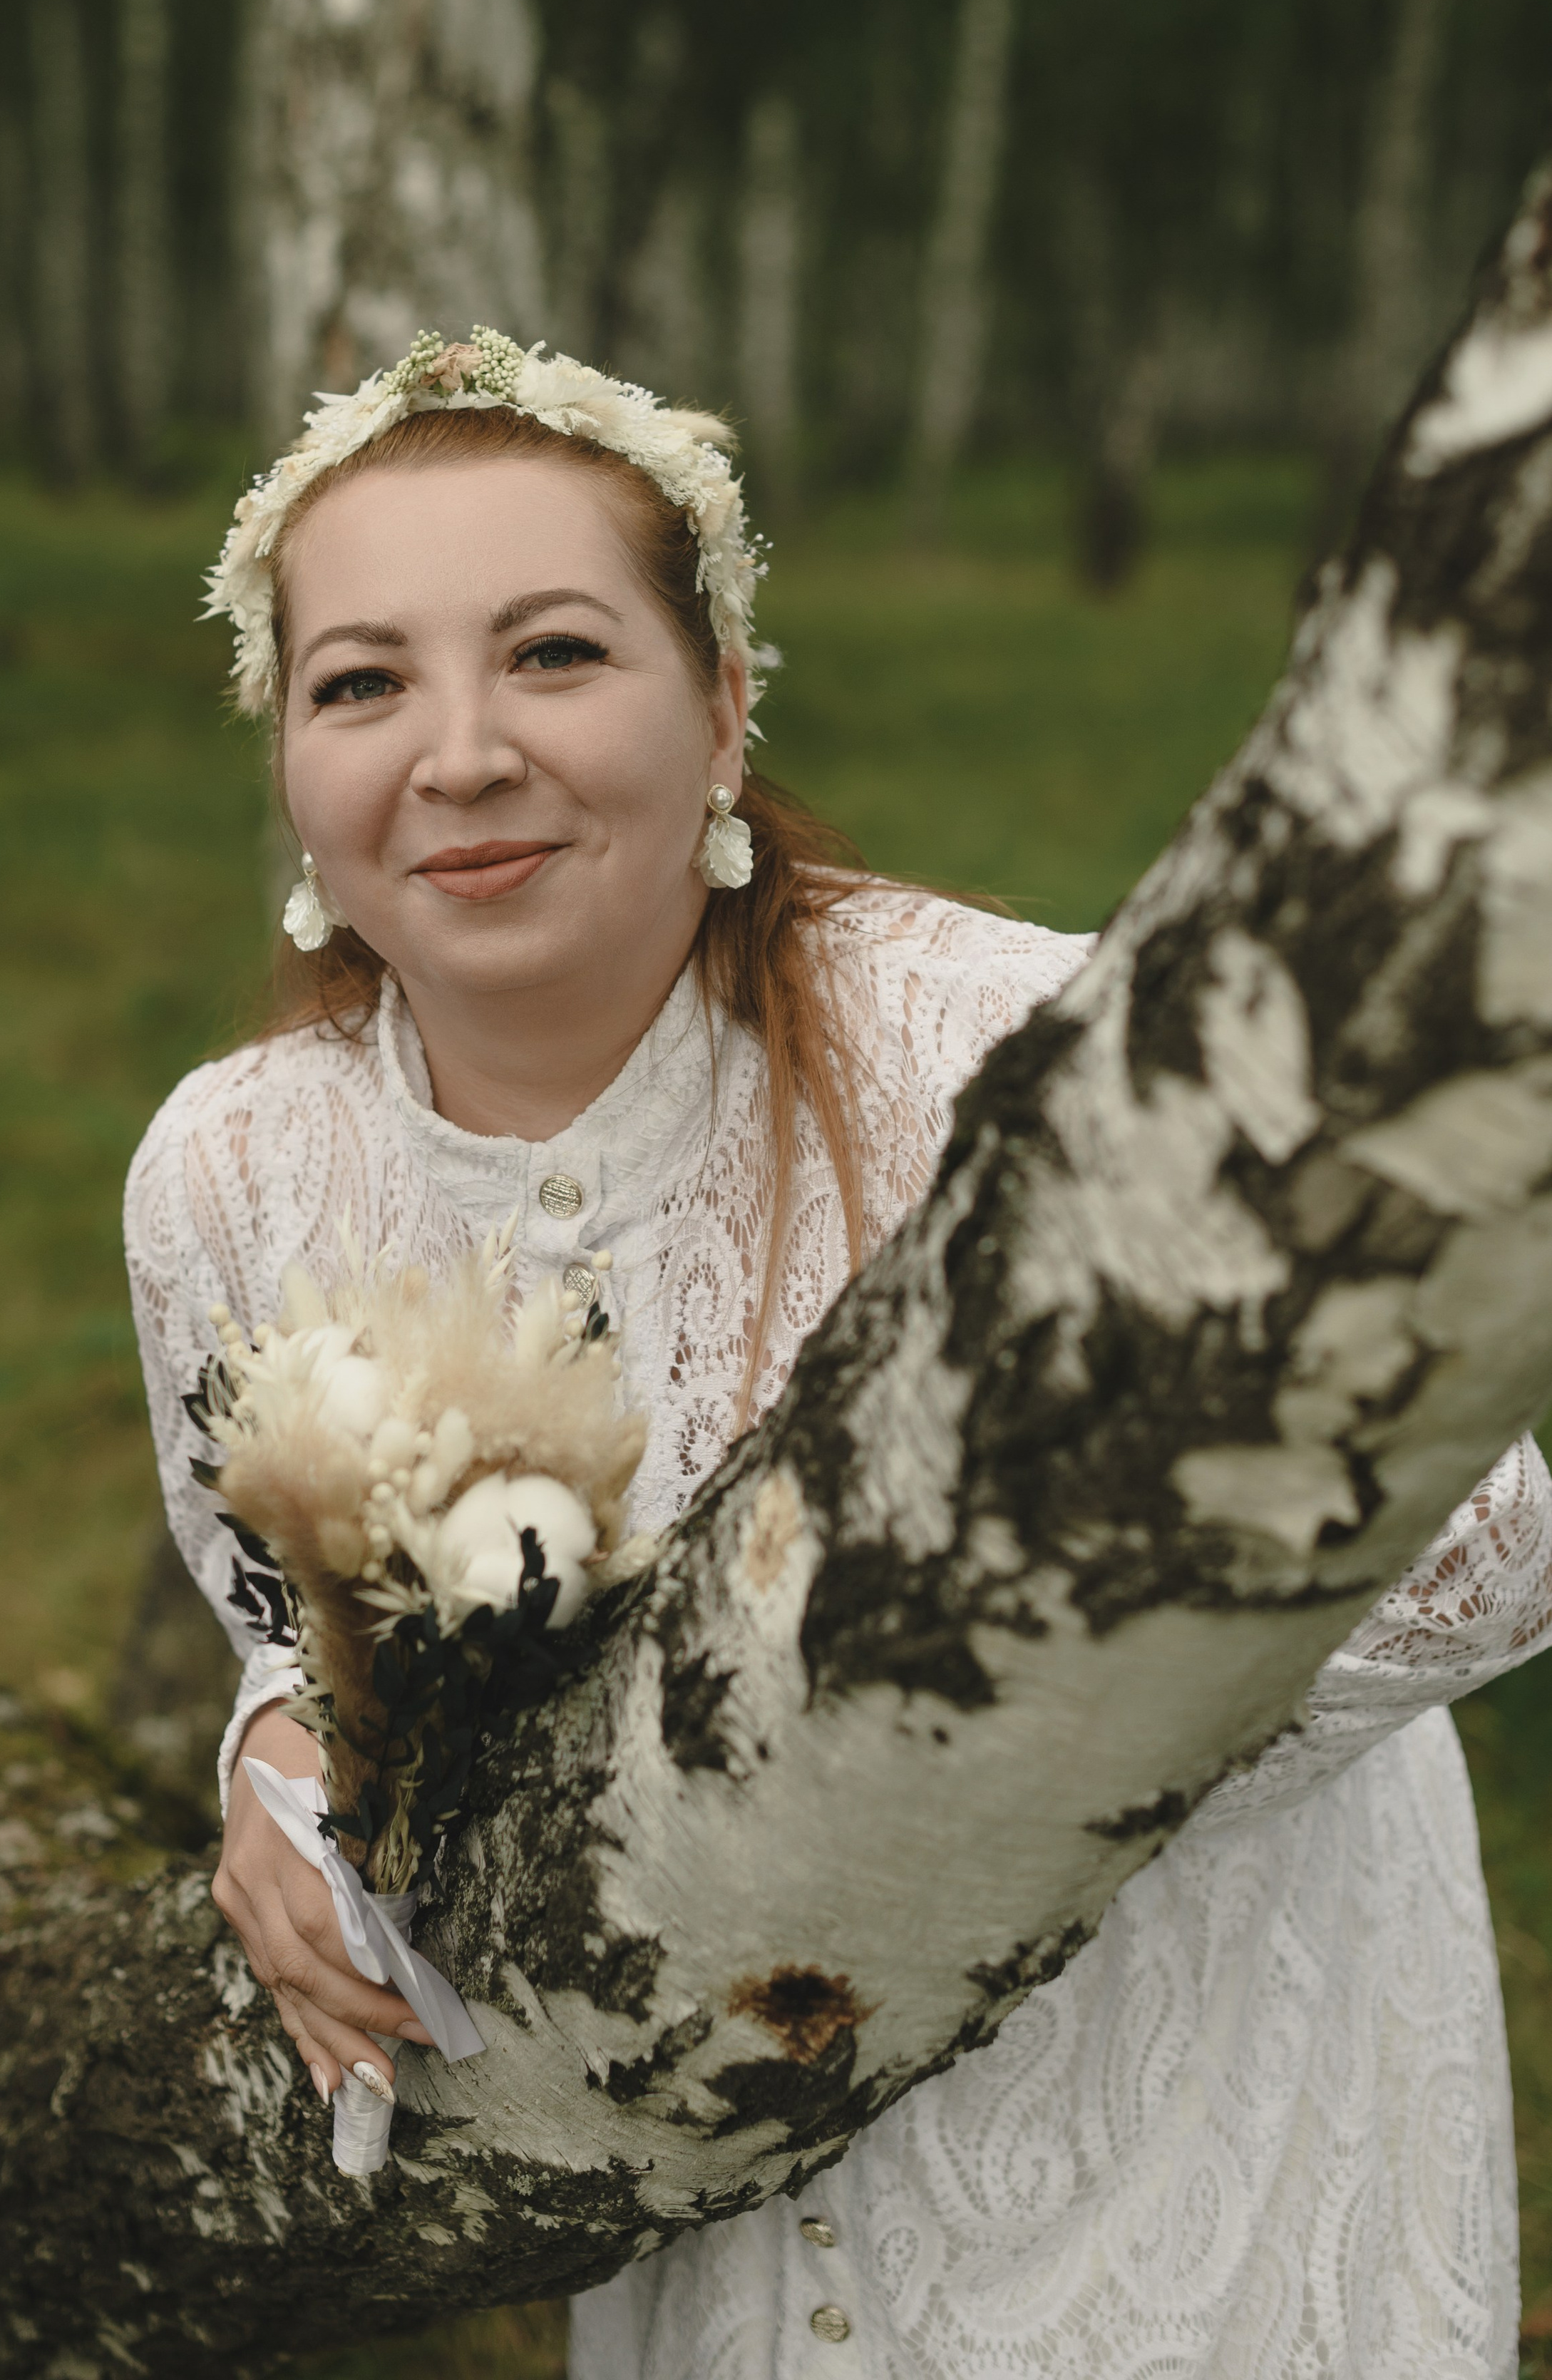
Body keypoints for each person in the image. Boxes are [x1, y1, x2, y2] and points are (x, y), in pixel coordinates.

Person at [125, 329, 1552, 2380]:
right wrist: (284, 1744)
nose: (458, 754)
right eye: (364, 681)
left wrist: (915, 1782)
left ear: (719, 710)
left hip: (1154, 2147)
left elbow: (1481, 1535)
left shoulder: (1015, 1052)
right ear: (289, 761)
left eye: (552, 653)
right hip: (702, 2226)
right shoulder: (233, 1178)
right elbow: (287, 1603)